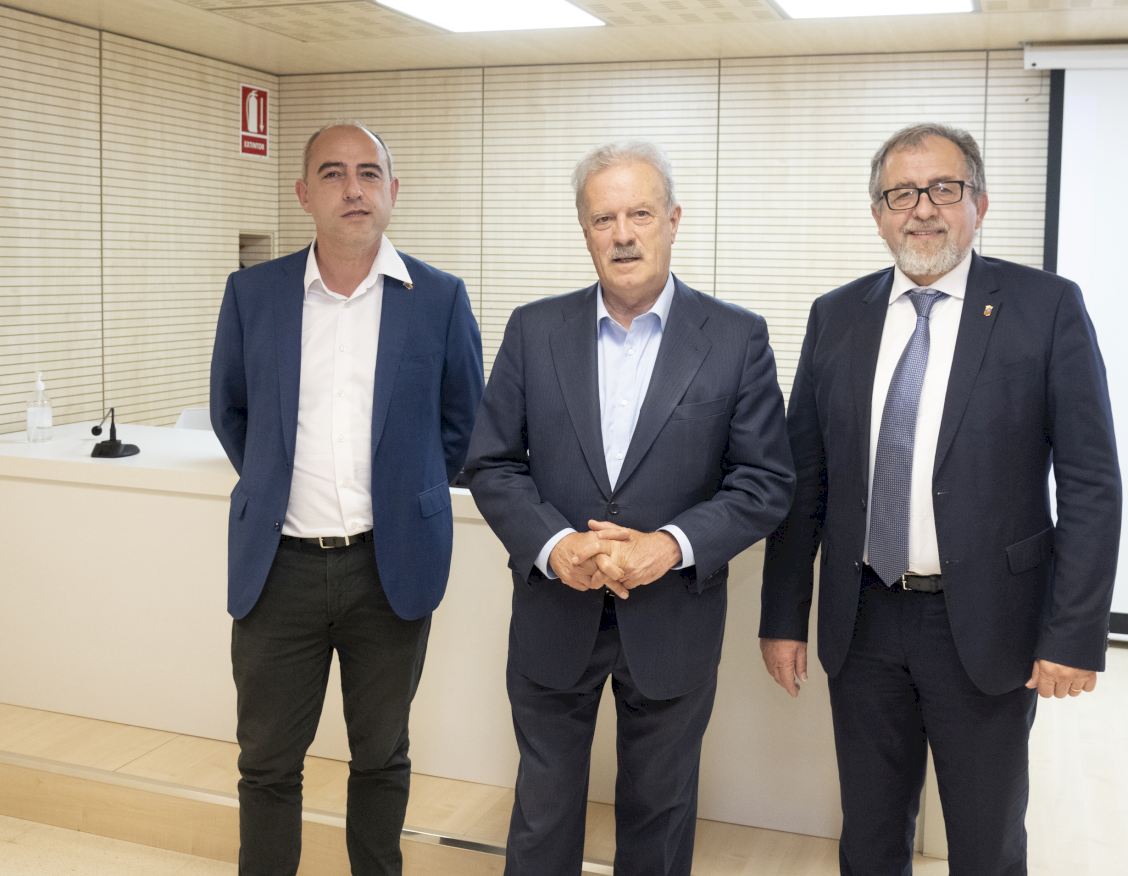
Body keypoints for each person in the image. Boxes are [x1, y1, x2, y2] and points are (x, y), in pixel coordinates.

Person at [760, 122, 1122, 874]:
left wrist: (1073, 633)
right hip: (863, 621)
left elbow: (1090, 482)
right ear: (878, 214)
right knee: (869, 837)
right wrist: (783, 617)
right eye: (901, 194)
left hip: (988, 625)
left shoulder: (1046, 306)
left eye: (943, 189)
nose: (922, 208)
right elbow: (806, 482)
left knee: (986, 844)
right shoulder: (837, 315)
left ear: (979, 204)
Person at [465, 140, 793, 875]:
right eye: (603, 218)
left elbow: (764, 481)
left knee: (659, 819)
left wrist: (669, 544)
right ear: (584, 230)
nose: (622, 235)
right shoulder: (533, 330)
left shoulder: (735, 338)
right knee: (543, 816)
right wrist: (555, 545)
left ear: (673, 220)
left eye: (640, 214)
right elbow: (492, 462)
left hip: (673, 617)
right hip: (555, 613)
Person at [210, 121, 483, 875]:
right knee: (267, 762)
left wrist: (405, 495)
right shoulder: (253, 294)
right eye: (333, 173)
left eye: (369, 173)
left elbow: (463, 425)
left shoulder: (439, 298)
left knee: (382, 756)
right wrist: (274, 485)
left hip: (388, 567)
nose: (353, 189)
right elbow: (232, 413)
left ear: (393, 191)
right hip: (278, 569)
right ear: (304, 194)